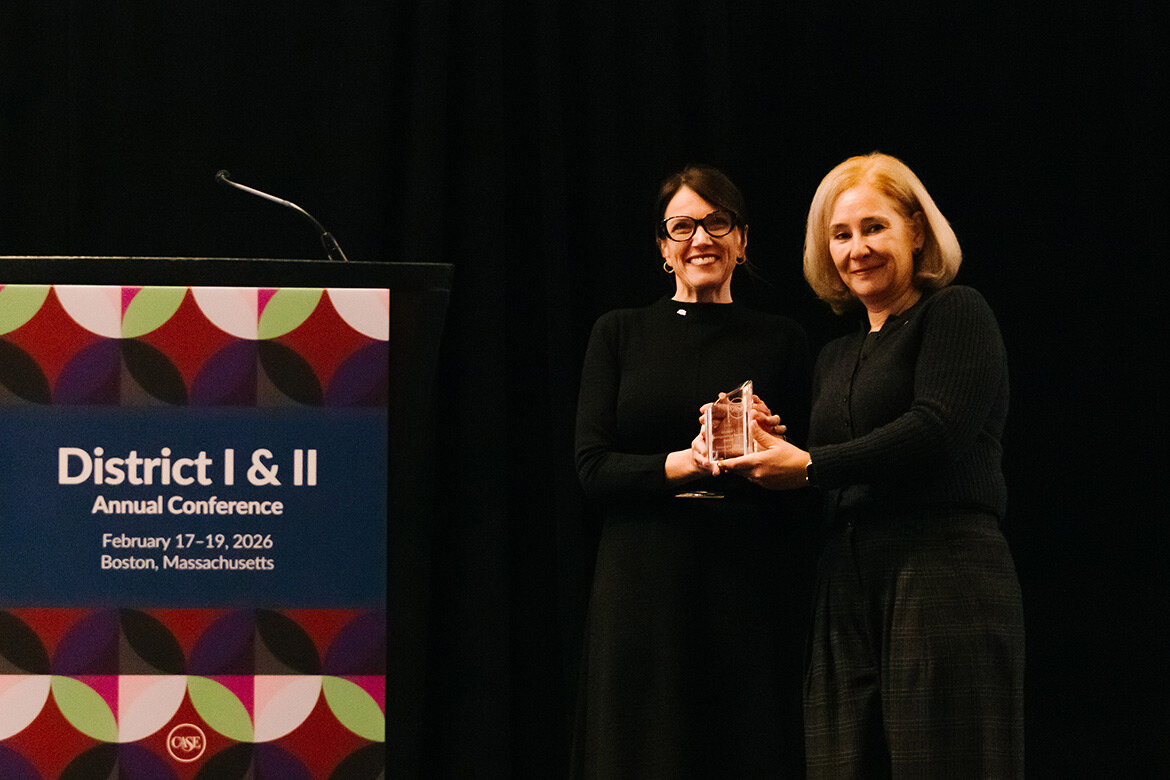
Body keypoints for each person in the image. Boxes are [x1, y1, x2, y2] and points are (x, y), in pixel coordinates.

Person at [716, 152, 1025, 777]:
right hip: (845, 582)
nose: (857, 249)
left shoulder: (956, 312)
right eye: (841, 234)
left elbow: (935, 430)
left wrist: (810, 464)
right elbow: (832, 466)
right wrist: (765, 443)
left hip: (941, 571)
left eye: (874, 227)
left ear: (916, 231)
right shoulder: (836, 356)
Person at [572, 164, 813, 778]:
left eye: (717, 223)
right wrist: (690, 461)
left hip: (748, 579)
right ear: (663, 246)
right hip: (642, 581)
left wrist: (772, 442)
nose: (700, 239)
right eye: (682, 226)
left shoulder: (783, 339)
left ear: (742, 240)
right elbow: (593, 469)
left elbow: (812, 475)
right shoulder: (618, 333)